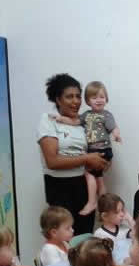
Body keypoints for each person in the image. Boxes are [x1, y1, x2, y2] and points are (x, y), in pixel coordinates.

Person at [37, 74, 108, 235]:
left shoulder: (83, 122)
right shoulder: (49, 120)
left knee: (84, 238)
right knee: (63, 238)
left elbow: (96, 150)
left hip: (84, 186)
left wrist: (102, 161)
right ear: (58, 99)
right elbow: (52, 161)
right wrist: (87, 159)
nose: (76, 101)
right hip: (58, 187)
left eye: (78, 96)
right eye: (69, 97)